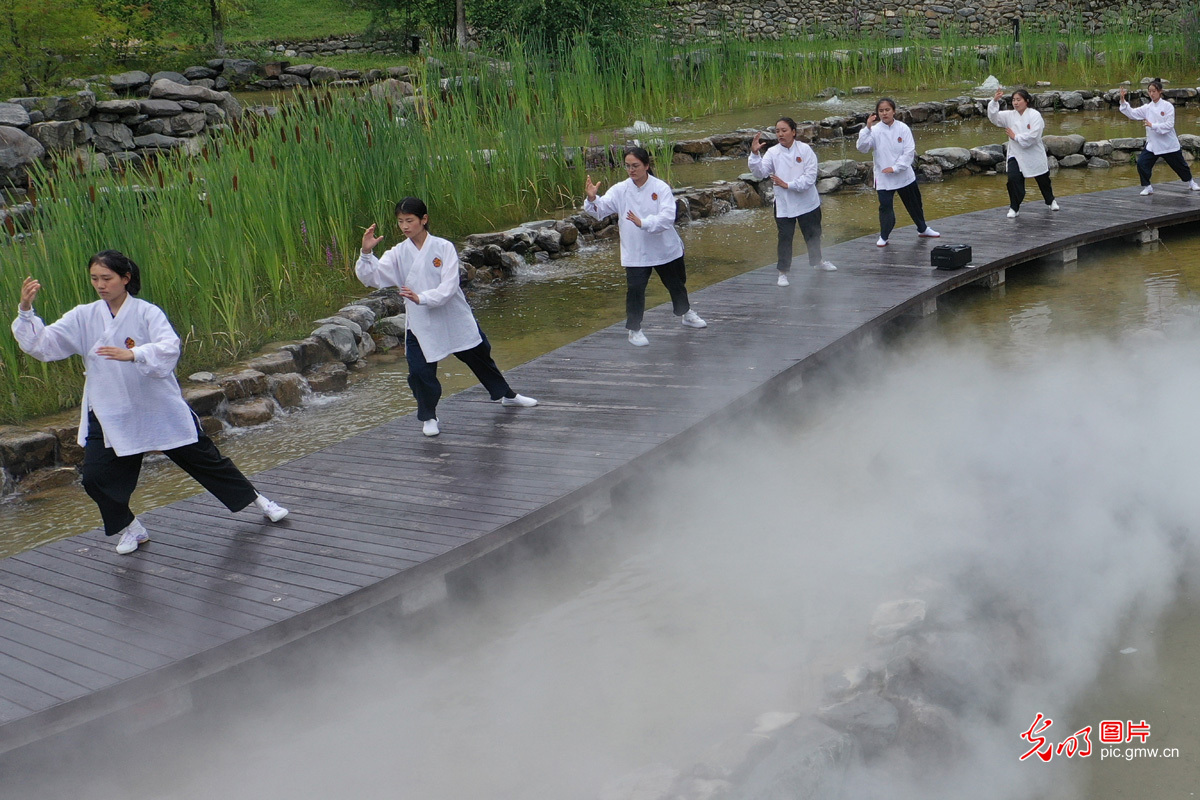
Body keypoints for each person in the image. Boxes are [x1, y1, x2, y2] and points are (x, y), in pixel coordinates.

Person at [11, 251, 289, 556]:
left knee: (205, 458)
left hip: (155, 405)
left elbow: (169, 347)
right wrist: (26, 311)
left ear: (125, 279)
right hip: (109, 409)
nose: (100, 285)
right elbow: (44, 344)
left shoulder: (146, 313)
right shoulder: (83, 316)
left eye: (107, 278)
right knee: (94, 478)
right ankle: (130, 527)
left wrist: (134, 354)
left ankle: (260, 500)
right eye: (94, 278)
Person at [357, 197, 537, 436]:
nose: (404, 226)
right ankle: (429, 416)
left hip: (452, 316)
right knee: (420, 372)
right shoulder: (398, 253)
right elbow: (374, 278)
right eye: (400, 221)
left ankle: (508, 395)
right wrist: (367, 252)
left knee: (480, 356)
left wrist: (422, 298)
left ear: (424, 219)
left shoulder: (443, 247)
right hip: (420, 322)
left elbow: (450, 286)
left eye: (409, 220)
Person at [583, 146, 707, 347]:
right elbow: (600, 209)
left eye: (635, 166)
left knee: (676, 284)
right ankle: (634, 329)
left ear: (646, 166)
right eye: (628, 166)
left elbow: (668, 217)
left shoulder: (660, 188)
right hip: (637, 250)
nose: (631, 170)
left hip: (665, 248)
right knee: (635, 289)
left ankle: (685, 313)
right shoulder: (620, 189)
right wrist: (591, 198)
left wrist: (644, 223)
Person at [748, 117, 837, 286]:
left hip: (807, 201)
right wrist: (754, 154)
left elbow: (810, 178)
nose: (780, 134)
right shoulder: (773, 153)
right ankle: (783, 272)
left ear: (793, 132)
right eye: (777, 131)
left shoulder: (805, 150)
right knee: (785, 237)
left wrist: (787, 184)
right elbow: (759, 173)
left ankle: (817, 262)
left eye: (784, 130)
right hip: (784, 204)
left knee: (813, 234)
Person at [856, 98, 941, 247]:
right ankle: (884, 236)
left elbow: (909, 152)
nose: (884, 113)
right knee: (885, 207)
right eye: (881, 111)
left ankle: (923, 228)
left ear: (894, 111)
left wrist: (896, 167)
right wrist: (867, 128)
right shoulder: (874, 131)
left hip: (903, 174)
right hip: (884, 177)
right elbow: (862, 148)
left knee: (914, 203)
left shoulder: (903, 128)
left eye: (887, 110)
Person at [987, 88, 1060, 218]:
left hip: (1033, 153)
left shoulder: (1034, 115)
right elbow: (994, 118)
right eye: (1014, 100)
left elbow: (1034, 135)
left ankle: (1050, 200)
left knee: (1043, 180)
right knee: (1013, 179)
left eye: (1018, 100)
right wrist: (994, 101)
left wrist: (1016, 137)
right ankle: (1014, 207)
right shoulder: (1009, 115)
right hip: (1016, 153)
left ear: (1026, 101)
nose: (1015, 103)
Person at [1118, 80, 1200, 195]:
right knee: (1142, 163)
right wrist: (1123, 101)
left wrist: (1153, 125)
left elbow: (1169, 125)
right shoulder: (1147, 108)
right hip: (1153, 144)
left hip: (1168, 144)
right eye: (1150, 91)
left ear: (1160, 92)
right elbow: (1132, 113)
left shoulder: (1168, 106)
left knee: (1180, 165)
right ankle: (1147, 186)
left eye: (1154, 91)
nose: (1152, 94)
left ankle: (1191, 182)